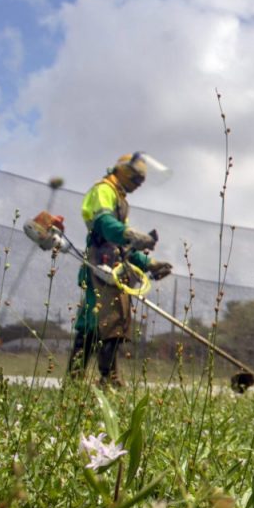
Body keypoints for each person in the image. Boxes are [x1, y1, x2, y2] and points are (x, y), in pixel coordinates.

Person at [68, 153, 173, 387]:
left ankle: (102, 378)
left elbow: (122, 247)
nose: (138, 185)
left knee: (108, 324)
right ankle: (94, 380)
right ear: (124, 171)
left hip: (114, 267)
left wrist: (148, 263)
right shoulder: (103, 190)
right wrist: (129, 234)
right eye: (137, 179)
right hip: (99, 267)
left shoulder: (120, 198)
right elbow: (104, 224)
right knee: (101, 323)